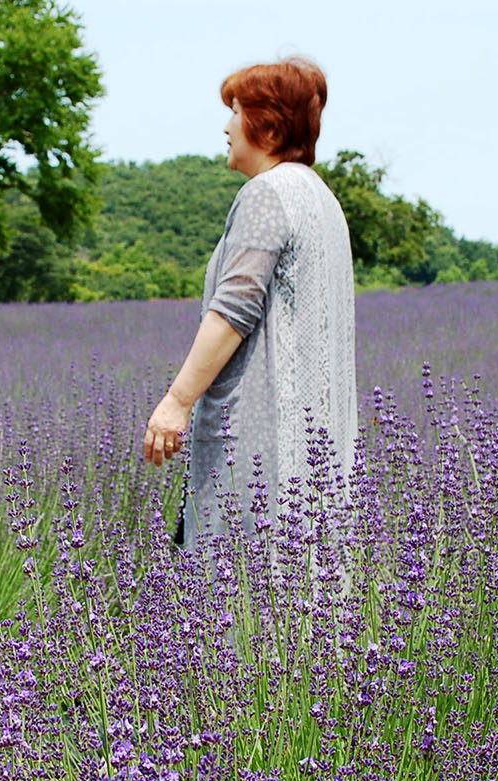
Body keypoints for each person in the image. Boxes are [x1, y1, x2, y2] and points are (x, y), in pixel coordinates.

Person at [142, 57, 357, 548]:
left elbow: (233, 311)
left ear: (267, 125)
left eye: (235, 111)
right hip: (317, 447)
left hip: (260, 444)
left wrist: (176, 402)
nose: (226, 125)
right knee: (304, 602)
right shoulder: (322, 199)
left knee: (237, 595)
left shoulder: (266, 195)